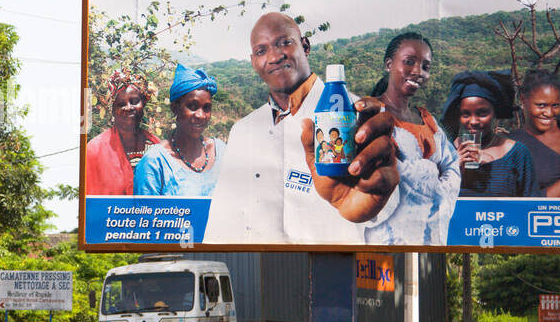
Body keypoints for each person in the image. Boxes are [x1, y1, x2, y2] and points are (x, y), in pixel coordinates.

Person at [203, 12, 400, 244]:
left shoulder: (357, 118)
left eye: (284, 43)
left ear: (305, 46)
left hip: (327, 269)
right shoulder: (243, 130)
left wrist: (373, 198)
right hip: (252, 270)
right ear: (253, 61)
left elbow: (387, 204)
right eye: (261, 51)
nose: (274, 56)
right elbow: (220, 219)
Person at [364, 33, 460, 245]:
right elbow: (374, 175)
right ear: (389, 64)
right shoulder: (368, 114)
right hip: (384, 238)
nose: (418, 72)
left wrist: (427, 183)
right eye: (409, 62)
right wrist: (430, 171)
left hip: (429, 237)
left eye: (425, 66)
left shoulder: (428, 120)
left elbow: (452, 169)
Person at [440, 70, 537, 198]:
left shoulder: (517, 153)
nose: (473, 121)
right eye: (466, 114)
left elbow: (531, 204)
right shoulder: (446, 152)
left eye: (482, 113)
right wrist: (454, 169)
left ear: (495, 113)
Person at [134, 63, 226, 197]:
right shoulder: (155, 162)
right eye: (192, 106)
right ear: (175, 108)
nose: (200, 115)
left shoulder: (221, 152)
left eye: (206, 108)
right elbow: (145, 216)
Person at [509, 70, 560, 198]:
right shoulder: (513, 145)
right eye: (541, 105)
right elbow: (523, 204)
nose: (549, 112)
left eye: (555, 105)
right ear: (523, 100)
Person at [86, 71, 161, 195]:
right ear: (113, 110)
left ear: (144, 104)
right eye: (121, 104)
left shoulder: (156, 148)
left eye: (134, 101)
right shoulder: (95, 150)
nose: (128, 108)